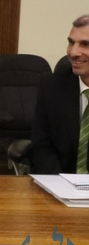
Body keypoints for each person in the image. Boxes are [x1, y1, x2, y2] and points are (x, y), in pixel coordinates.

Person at [30, 15, 89, 174]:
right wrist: (59, 183)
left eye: (85, 44)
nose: (73, 52)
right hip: (60, 180)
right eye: (71, 42)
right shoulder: (52, 86)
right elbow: (41, 147)